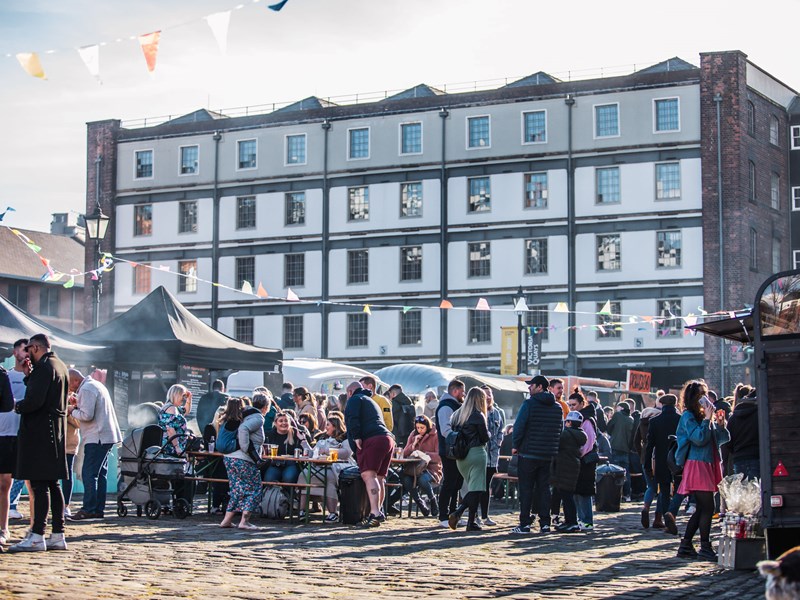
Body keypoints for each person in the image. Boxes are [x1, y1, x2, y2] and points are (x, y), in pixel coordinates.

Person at [9, 334, 69, 553]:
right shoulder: (59, 365)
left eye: (28, 351)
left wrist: (16, 406)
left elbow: (35, 401)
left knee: (39, 485)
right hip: (55, 434)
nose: (27, 356)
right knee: (53, 484)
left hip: (40, 434)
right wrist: (27, 376)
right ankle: (58, 534)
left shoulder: (44, 367)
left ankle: (37, 535)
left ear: (35, 347)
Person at [675, 380, 730, 561]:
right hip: (697, 464)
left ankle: (686, 545)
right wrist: (707, 419)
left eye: (705, 394)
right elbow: (698, 438)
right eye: (700, 394)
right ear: (692, 398)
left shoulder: (704, 416)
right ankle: (705, 546)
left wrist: (720, 424)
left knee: (702, 508)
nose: (704, 398)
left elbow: (720, 440)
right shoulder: (688, 416)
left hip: (708, 462)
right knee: (707, 507)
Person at [66, 369, 123, 521]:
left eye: (69, 385)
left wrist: (71, 410)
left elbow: (87, 415)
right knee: (100, 474)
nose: (69, 389)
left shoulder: (86, 388)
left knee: (88, 473)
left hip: (97, 436)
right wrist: (77, 404)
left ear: (75, 381)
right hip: (106, 435)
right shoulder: (95, 385)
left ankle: (89, 509)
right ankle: (98, 509)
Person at [511, 375, 562, 534]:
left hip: (528, 453)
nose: (529, 387)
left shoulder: (529, 404)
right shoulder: (557, 407)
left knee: (526, 490)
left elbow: (519, 427)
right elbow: (559, 430)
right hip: (547, 454)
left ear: (540, 387)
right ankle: (545, 524)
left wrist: (515, 445)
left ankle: (525, 524)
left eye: (531, 385)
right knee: (544, 489)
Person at [344, 381, 395, 527]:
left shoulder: (355, 399)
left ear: (349, 392)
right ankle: (379, 511)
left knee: (368, 475)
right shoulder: (370, 400)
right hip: (387, 438)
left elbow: (352, 418)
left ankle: (375, 513)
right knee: (379, 477)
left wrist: (356, 437)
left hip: (372, 439)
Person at [220, 394, 269, 530]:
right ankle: (244, 521)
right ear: (266, 407)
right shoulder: (258, 417)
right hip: (243, 459)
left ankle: (226, 520)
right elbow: (243, 429)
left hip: (230, 458)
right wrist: (246, 447)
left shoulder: (244, 413)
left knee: (236, 489)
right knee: (254, 488)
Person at [447, 387, 490, 531]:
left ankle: (471, 521)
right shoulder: (478, 415)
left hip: (461, 457)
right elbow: (485, 437)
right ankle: (460, 513)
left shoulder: (457, 415)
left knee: (473, 489)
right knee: (476, 490)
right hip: (476, 453)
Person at [297, 413, 352, 522]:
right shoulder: (322, 438)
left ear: (335, 426)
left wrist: (328, 451)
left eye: (328, 425)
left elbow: (346, 453)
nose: (325, 427)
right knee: (303, 475)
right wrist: (303, 441)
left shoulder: (345, 438)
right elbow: (313, 454)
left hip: (335, 466)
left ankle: (332, 513)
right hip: (318, 466)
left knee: (329, 478)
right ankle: (302, 510)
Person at [645, 393, 682, 535]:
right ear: (675, 404)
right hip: (678, 459)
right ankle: (672, 514)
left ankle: (668, 521)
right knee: (680, 489)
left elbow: (650, 446)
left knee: (665, 491)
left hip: (661, 460)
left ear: (662, 405)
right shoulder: (680, 420)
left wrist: (648, 464)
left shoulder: (655, 421)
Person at [435, 379, 465, 528]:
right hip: (449, 451)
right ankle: (443, 515)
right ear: (455, 391)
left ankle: (453, 514)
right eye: (462, 391)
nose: (464, 394)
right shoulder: (446, 407)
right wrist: (461, 438)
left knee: (456, 483)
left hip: (455, 450)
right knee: (449, 483)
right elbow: (445, 430)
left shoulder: (454, 406)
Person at [5, 339, 29, 524]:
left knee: (21, 472)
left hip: (24, 431)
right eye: (23, 350)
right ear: (15, 353)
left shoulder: (34, 377)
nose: (27, 353)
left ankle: (12, 505)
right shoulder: (7, 375)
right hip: (4, 431)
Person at [553, 411, 588, 534]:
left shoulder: (566, 434)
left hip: (564, 466)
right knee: (567, 495)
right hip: (573, 466)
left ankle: (572, 522)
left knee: (566, 496)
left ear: (569, 422)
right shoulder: (580, 435)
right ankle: (569, 521)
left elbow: (556, 444)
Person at [568, 388, 598, 531]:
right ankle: (581, 520)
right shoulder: (578, 417)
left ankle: (586, 521)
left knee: (584, 492)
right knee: (576, 491)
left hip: (585, 461)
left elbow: (589, 442)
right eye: (570, 405)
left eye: (573, 404)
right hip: (578, 460)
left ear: (581, 403)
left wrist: (578, 454)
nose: (571, 407)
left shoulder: (586, 419)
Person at [401, 415, 441, 517]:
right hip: (414, 468)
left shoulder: (435, 435)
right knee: (405, 478)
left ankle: (432, 500)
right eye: (418, 427)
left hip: (431, 469)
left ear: (427, 426)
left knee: (422, 479)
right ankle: (420, 502)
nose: (420, 430)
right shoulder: (413, 434)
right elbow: (404, 453)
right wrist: (413, 444)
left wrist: (425, 454)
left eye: (422, 428)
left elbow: (439, 456)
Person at [635, 399, 662, 529]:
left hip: (645, 456)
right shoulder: (658, 421)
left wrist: (641, 454)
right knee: (662, 488)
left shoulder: (642, 422)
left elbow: (635, 441)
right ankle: (658, 518)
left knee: (650, 486)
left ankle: (646, 508)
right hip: (659, 456)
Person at [481, 386, 505, 526]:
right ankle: (472, 514)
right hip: (479, 456)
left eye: (490, 394)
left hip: (492, 456)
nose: (488, 397)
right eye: (485, 395)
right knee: (477, 486)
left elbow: (501, 430)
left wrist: (498, 442)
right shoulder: (477, 413)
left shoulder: (497, 413)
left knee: (486, 486)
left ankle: (485, 515)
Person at [726, 388, 759, 480]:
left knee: (742, 491)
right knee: (755, 490)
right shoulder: (758, 415)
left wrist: (736, 451)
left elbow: (728, 440)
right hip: (755, 457)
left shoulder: (733, 418)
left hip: (738, 459)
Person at [607, 400, 635, 501]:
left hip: (615, 447)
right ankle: (627, 495)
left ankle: (615, 494)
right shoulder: (631, 419)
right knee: (625, 473)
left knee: (614, 472)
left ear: (621, 408)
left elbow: (609, 427)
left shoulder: (617, 415)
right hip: (626, 449)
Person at [0, 364, 16, 545]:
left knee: (4, 484)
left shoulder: (2, 376)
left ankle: (3, 527)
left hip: (6, 436)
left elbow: (7, 405)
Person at [263, 414, 302, 484]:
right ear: (275, 423)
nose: (284, 423)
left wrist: (303, 439)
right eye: (281, 421)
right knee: (268, 479)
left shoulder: (295, 434)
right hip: (275, 463)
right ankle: (272, 494)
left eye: (286, 421)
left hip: (291, 463)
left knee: (289, 478)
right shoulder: (269, 436)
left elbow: (304, 449)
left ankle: (288, 494)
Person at [61, 401, 80, 519]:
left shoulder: (75, 401)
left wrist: (68, 412)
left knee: (67, 476)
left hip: (69, 446)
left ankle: (66, 505)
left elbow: (79, 423)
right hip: (52, 445)